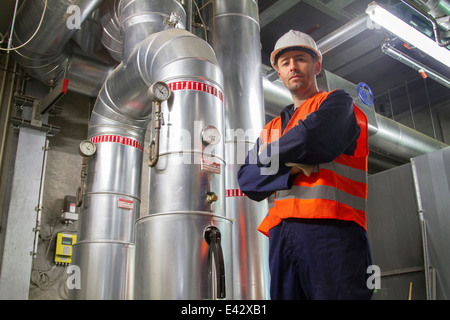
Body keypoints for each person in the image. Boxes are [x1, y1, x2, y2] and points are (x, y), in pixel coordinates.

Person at [237, 30, 373, 300]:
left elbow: (313, 138)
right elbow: (248, 181)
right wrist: (296, 165)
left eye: (300, 59)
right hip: (281, 237)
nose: (293, 67)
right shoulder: (270, 128)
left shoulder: (337, 103)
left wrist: (273, 160)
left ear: (317, 66)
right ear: (278, 71)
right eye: (285, 62)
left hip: (333, 231)